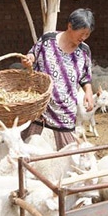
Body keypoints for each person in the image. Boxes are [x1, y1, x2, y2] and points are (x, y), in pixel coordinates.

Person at [20, 8, 95, 150]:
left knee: (67, 154)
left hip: (64, 111)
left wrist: (88, 92)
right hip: (40, 108)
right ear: (70, 27)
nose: (83, 38)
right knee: (31, 151)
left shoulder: (84, 51)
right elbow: (32, 55)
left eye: (87, 34)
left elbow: (85, 76)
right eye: (82, 33)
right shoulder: (48, 40)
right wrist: (29, 59)